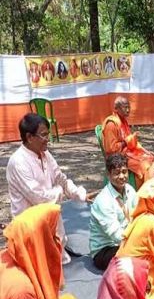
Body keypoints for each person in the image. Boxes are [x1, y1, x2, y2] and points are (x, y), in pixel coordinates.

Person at [6, 113, 94, 264]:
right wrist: (59, 190)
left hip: (50, 219)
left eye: (48, 133)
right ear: (29, 137)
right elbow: (39, 198)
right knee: (42, 268)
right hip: (30, 225)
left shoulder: (45, 153)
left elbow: (61, 177)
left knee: (59, 260)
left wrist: (79, 194)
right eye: (43, 135)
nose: (48, 139)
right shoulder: (18, 162)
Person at [89, 154, 138, 271]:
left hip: (126, 241)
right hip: (105, 249)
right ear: (109, 175)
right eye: (117, 173)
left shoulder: (130, 190)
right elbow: (116, 235)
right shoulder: (103, 201)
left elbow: (138, 215)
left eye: (124, 172)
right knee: (138, 256)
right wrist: (139, 242)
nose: (122, 176)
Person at [101, 96, 154, 186]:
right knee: (143, 166)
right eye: (125, 107)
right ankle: (141, 192)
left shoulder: (124, 121)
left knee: (150, 158)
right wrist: (126, 142)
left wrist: (146, 151)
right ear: (116, 109)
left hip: (127, 152)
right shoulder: (111, 124)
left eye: (129, 107)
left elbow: (132, 141)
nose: (128, 110)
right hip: (117, 157)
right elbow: (111, 149)